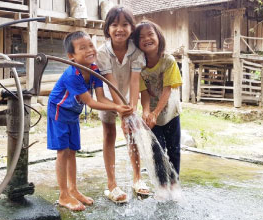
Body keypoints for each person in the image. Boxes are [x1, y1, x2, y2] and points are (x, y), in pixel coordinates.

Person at [47, 31, 133, 211]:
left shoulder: (94, 70)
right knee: (63, 152)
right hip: (59, 112)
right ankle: (63, 195)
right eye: (82, 48)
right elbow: (91, 103)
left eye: (91, 45)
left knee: (73, 151)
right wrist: (116, 108)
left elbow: (101, 98)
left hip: (72, 114)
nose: (89, 50)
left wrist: (119, 106)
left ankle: (73, 189)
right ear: (71, 56)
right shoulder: (73, 74)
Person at [96, 5, 149, 203]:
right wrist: (119, 109)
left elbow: (135, 81)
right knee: (109, 134)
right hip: (108, 97)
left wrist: (131, 109)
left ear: (132, 28)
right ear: (108, 28)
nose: (120, 29)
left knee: (132, 134)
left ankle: (137, 179)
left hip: (128, 96)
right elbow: (110, 81)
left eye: (125, 24)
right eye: (115, 24)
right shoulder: (102, 52)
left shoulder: (136, 51)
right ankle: (112, 185)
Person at [132, 20, 183, 187]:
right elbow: (144, 92)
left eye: (150, 34)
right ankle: (162, 185)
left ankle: (174, 183)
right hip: (152, 116)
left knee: (174, 149)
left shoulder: (168, 61)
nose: (147, 38)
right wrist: (146, 111)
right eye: (141, 37)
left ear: (159, 37)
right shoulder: (139, 65)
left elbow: (167, 90)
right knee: (157, 150)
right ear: (137, 42)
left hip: (170, 112)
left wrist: (155, 112)